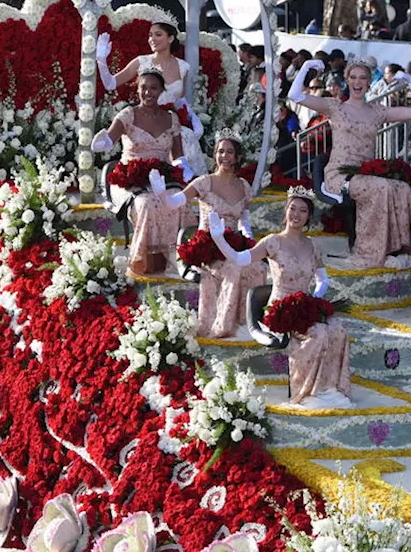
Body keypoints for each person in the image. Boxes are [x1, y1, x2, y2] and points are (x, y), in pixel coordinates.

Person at [209, 189, 353, 408]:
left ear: (308, 216)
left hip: (304, 305)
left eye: (303, 210)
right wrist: (219, 239)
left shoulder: (312, 244)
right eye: (292, 208)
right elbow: (240, 259)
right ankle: (306, 391)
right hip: (280, 308)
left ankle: (328, 386)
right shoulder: (273, 242)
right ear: (286, 211)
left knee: (338, 327)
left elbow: (322, 279)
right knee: (318, 332)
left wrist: (316, 297)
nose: (296, 214)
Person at [288, 56, 411, 269]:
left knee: (401, 188)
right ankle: (368, 252)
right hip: (339, 175)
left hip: (365, 173)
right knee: (380, 187)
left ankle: (397, 249)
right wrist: (307, 67)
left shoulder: (377, 111)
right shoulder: (335, 107)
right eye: (353, 77)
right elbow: (294, 95)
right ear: (347, 80)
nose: (357, 82)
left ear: (369, 82)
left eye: (363, 77)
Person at [152, 135, 267, 339]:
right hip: (208, 248)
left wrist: (249, 243)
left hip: (233, 245)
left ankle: (246, 321)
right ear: (215, 155)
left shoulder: (244, 186)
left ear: (238, 157)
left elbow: (244, 222)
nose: (224, 156)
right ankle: (221, 325)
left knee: (258, 268)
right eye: (220, 151)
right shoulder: (204, 182)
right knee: (232, 268)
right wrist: (162, 194)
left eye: (229, 152)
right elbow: (173, 203)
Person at [91, 71, 190, 277]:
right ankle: (144, 261)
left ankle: (175, 259)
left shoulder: (171, 118)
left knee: (179, 202)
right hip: (129, 178)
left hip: (162, 178)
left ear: (162, 91)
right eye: (143, 87)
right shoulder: (128, 114)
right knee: (146, 203)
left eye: (153, 88)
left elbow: (177, 154)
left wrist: (185, 169)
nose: (148, 92)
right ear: (137, 89)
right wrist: (102, 143)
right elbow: (110, 138)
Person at [96, 22, 206, 175]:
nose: (152, 39)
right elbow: (110, 83)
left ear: (171, 38)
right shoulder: (141, 61)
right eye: (150, 35)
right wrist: (101, 60)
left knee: (185, 139)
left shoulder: (183, 67)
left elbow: (181, 101)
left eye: (158, 34)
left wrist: (193, 119)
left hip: (170, 122)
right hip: (145, 121)